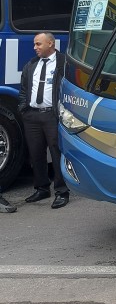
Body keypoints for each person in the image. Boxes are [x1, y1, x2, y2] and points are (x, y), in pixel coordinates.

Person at [18, 32, 69, 209]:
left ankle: (62, 191)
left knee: (56, 153)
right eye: (35, 44)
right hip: (32, 116)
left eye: (38, 44)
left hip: (51, 115)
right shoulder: (32, 64)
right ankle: (42, 188)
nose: (35, 47)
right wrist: (24, 108)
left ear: (51, 43)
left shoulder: (64, 63)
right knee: (36, 153)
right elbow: (24, 87)